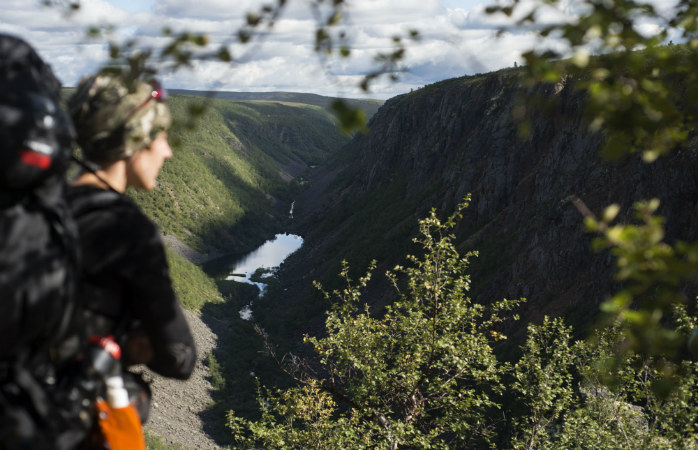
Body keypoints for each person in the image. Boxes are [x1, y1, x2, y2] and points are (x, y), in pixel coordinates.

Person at [66, 74, 196, 403]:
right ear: (134, 140)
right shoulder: (129, 231)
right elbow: (180, 357)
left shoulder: (43, 205)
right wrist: (131, 343)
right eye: (161, 138)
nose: (166, 152)